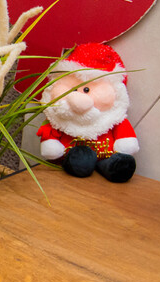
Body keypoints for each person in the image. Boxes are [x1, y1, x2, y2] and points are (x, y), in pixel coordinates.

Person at [38, 42, 139, 183]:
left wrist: (125, 143)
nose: (78, 98)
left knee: (119, 166)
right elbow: (50, 138)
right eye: (74, 89)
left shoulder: (113, 118)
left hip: (107, 155)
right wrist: (52, 146)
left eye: (86, 90)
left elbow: (126, 138)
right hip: (73, 157)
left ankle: (113, 167)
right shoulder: (60, 118)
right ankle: (79, 161)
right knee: (80, 159)